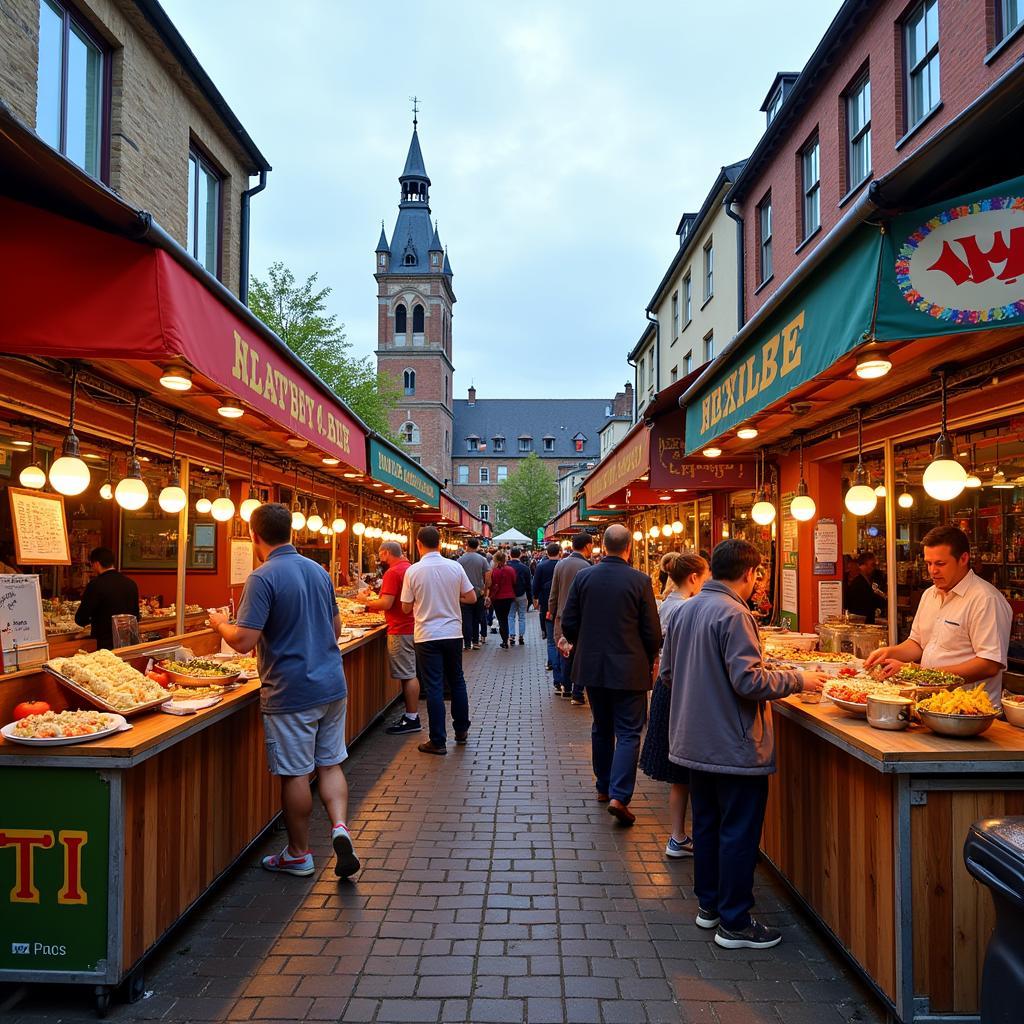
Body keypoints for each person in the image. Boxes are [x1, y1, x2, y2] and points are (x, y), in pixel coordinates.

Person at [662, 539, 826, 948]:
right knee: (737, 832)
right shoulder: (735, 614)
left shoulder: (687, 608)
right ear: (750, 573)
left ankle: (710, 907)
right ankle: (735, 922)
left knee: (708, 825)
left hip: (693, 740)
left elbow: (666, 672)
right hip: (732, 746)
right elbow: (749, 681)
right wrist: (799, 680)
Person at [209, 504, 358, 879]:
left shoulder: (261, 578)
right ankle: (340, 826)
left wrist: (220, 625)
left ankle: (298, 853)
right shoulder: (318, 571)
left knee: (294, 774)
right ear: (291, 531)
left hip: (290, 691)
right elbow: (336, 629)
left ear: (254, 535)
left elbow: (243, 641)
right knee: (330, 763)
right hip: (332, 684)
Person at [560, 524, 662, 826]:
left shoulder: (584, 577)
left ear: (602, 546)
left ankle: (603, 787)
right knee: (629, 732)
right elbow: (652, 631)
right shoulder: (640, 580)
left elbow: (569, 621)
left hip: (592, 666)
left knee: (601, 726)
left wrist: (584, 643)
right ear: (629, 547)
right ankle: (620, 795)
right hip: (630, 667)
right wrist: (649, 656)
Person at [865, 525, 1012, 707]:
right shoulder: (929, 594)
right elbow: (918, 643)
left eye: (940, 564)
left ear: (964, 559)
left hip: (971, 711)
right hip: (929, 704)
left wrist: (918, 672)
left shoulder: (985, 599)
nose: (932, 570)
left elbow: (989, 664)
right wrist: (889, 652)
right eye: (928, 563)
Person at [639, 553, 710, 859]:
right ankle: (681, 835)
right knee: (685, 771)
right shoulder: (686, 607)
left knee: (679, 773)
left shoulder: (669, 602)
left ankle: (678, 835)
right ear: (693, 577)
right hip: (681, 691)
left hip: (668, 689)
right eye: (705, 575)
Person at [399, 525, 477, 754]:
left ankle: (438, 740)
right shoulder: (455, 566)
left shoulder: (413, 571)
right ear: (440, 544)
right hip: (452, 632)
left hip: (426, 635)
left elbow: (405, 608)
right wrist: (453, 597)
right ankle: (461, 730)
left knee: (433, 686)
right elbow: (471, 597)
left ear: (418, 544)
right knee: (457, 681)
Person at [355, 540, 420, 735]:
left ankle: (411, 717)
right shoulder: (409, 568)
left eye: (380, 555)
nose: (379, 558)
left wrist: (365, 600)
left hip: (400, 628)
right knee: (410, 672)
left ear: (386, 553)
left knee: (408, 674)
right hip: (412, 625)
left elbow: (387, 603)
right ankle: (411, 715)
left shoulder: (393, 572)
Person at [548, 533, 593, 703]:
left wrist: (551, 610)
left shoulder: (560, 564)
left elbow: (554, 591)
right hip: (581, 616)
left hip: (561, 614)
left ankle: (565, 686)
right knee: (580, 653)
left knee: (564, 650)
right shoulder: (587, 565)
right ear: (587, 546)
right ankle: (577, 691)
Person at [74, 547, 141, 651]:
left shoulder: (95, 584)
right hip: (129, 642)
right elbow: (136, 616)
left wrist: (90, 622)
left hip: (104, 644)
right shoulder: (131, 583)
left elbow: (81, 618)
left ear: (96, 563)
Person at [457, 537, 491, 650]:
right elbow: (488, 578)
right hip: (478, 593)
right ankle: (476, 641)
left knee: (466, 619)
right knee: (476, 618)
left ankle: (467, 643)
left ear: (467, 545)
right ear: (477, 546)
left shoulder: (460, 560)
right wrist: (485, 591)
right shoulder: (482, 560)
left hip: (464, 594)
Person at [533, 543, 561, 661]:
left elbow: (535, 585)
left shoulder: (541, 566)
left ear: (547, 553)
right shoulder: (562, 565)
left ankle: (551, 662)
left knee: (550, 639)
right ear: (559, 552)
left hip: (546, 603)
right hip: (561, 603)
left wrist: (535, 598)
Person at [845, 552, 887, 624]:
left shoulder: (867, 581)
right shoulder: (859, 583)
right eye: (872, 565)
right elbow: (868, 603)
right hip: (861, 623)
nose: (873, 568)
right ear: (863, 566)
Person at [488, 550, 517, 649]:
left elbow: (490, 585)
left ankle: (504, 640)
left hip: (497, 598)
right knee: (505, 617)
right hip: (509, 597)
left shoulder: (494, 571)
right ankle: (506, 639)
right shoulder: (510, 570)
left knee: (501, 619)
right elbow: (514, 582)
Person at [508, 547, 533, 645]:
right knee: (522, 616)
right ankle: (521, 636)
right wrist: (530, 598)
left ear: (510, 554)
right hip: (522, 595)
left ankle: (512, 635)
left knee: (511, 616)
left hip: (510, 595)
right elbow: (528, 584)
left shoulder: (507, 567)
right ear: (520, 555)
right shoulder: (525, 568)